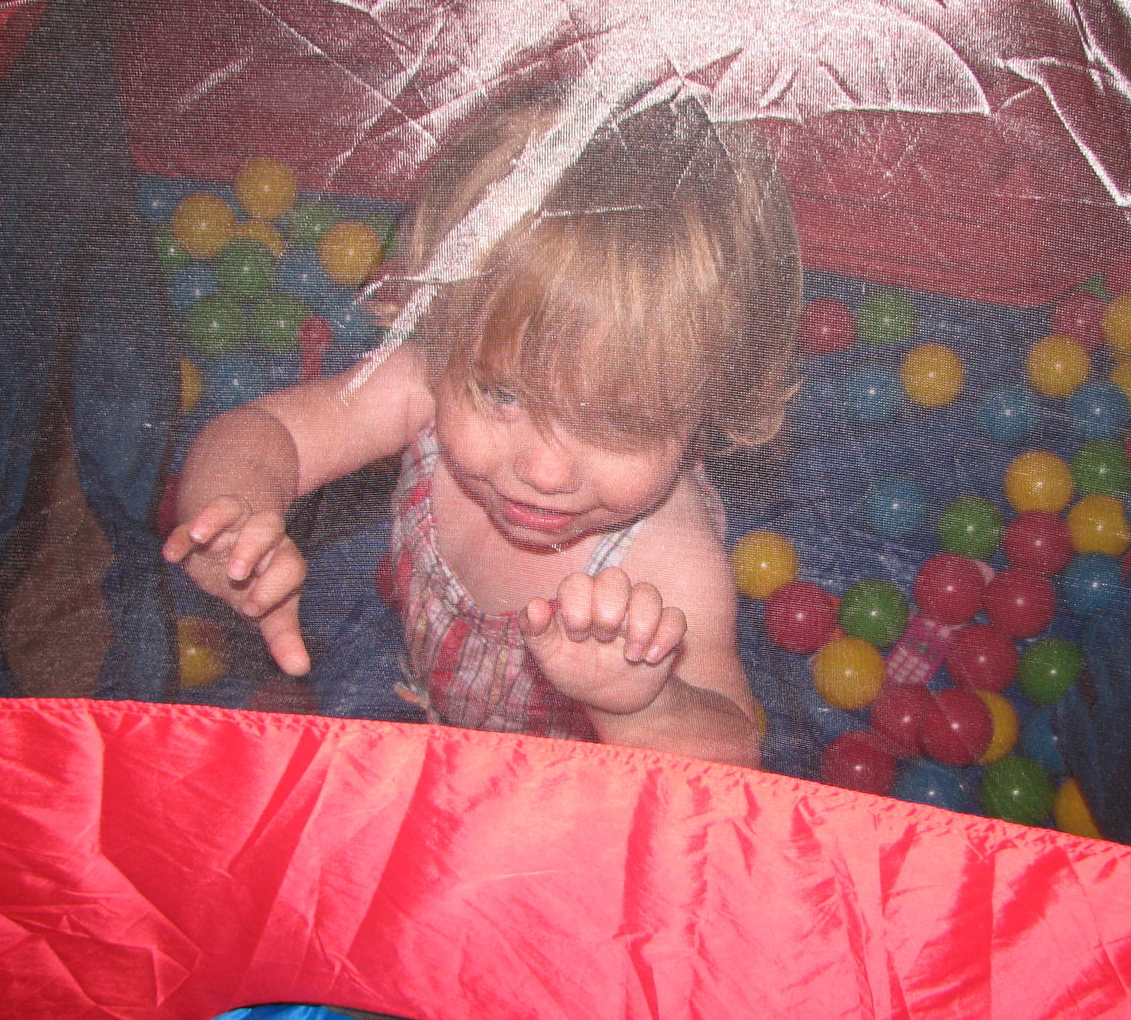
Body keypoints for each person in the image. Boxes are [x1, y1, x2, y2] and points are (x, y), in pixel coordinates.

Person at [162, 92, 801, 768]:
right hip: (441, 705)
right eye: (502, 394)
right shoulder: (427, 382)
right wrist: (230, 510)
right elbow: (267, 432)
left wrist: (642, 704)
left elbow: (732, 757)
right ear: (446, 330)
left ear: (704, 410)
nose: (544, 472)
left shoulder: (670, 564)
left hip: (564, 779)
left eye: (617, 424)